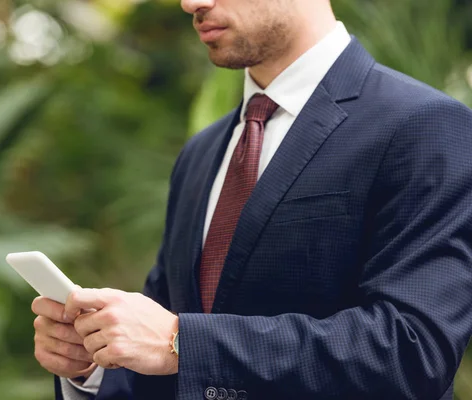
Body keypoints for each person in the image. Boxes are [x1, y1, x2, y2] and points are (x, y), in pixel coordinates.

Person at [32, 0, 472, 399]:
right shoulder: (202, 153)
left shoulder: (426, 124)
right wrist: (96, 362)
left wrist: (182, 341)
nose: (192, 4)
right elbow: (169, 350)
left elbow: (414, 351)